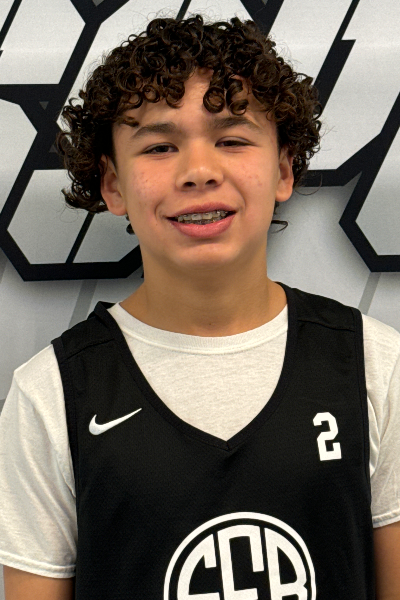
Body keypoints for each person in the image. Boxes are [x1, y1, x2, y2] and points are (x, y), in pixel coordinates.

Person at [1, 13, 399, 600]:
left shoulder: (376, 365)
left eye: (232, 139)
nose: (199, 172)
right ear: (113, 184)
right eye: (160, 146)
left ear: (283, 168)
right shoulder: (51, 393)